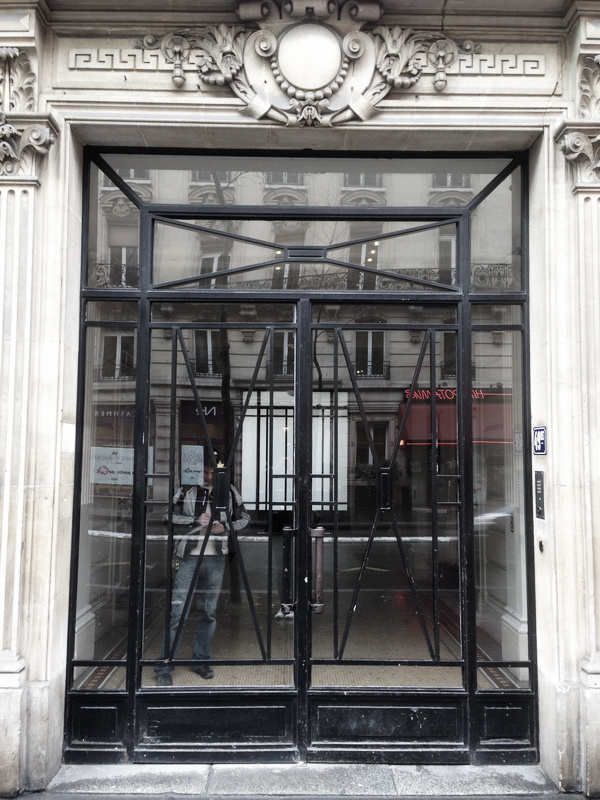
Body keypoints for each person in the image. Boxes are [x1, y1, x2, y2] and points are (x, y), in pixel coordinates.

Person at [155, 460, 250, 686]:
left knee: (208, 612)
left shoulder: (229, 491)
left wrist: (224, 527)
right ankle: (165, 665)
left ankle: (200, 660)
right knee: (178, 612)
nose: (208, 477)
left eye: (212, 472)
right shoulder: (186, 490)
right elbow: (167, 516)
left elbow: (245, 519)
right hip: (188, 557)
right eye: (205, 472)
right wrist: (194, 521)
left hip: (215, 559)